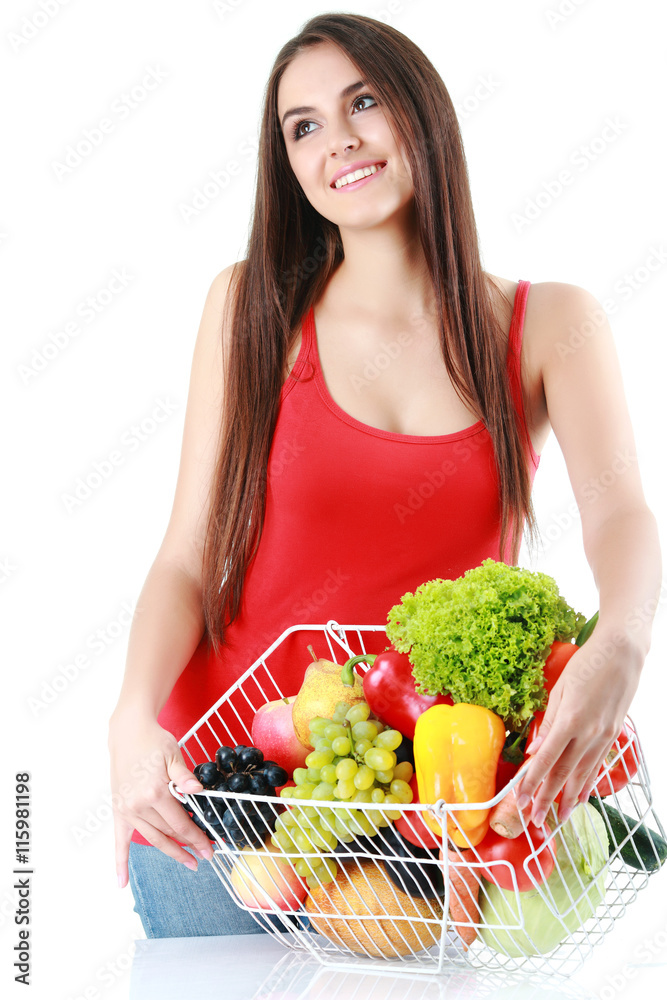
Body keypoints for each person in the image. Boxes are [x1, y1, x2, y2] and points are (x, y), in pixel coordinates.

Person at [108, 12, 661, 939]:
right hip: (228, 803)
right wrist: (130, 719)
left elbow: (621, 516)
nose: (339, 140)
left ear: (421, 110)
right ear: (287, 163)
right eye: (304, 126)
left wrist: (625, 641)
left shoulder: (550, 324)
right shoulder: (249, 307)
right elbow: (185, 558)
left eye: (362, 102)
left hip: (425, 810)